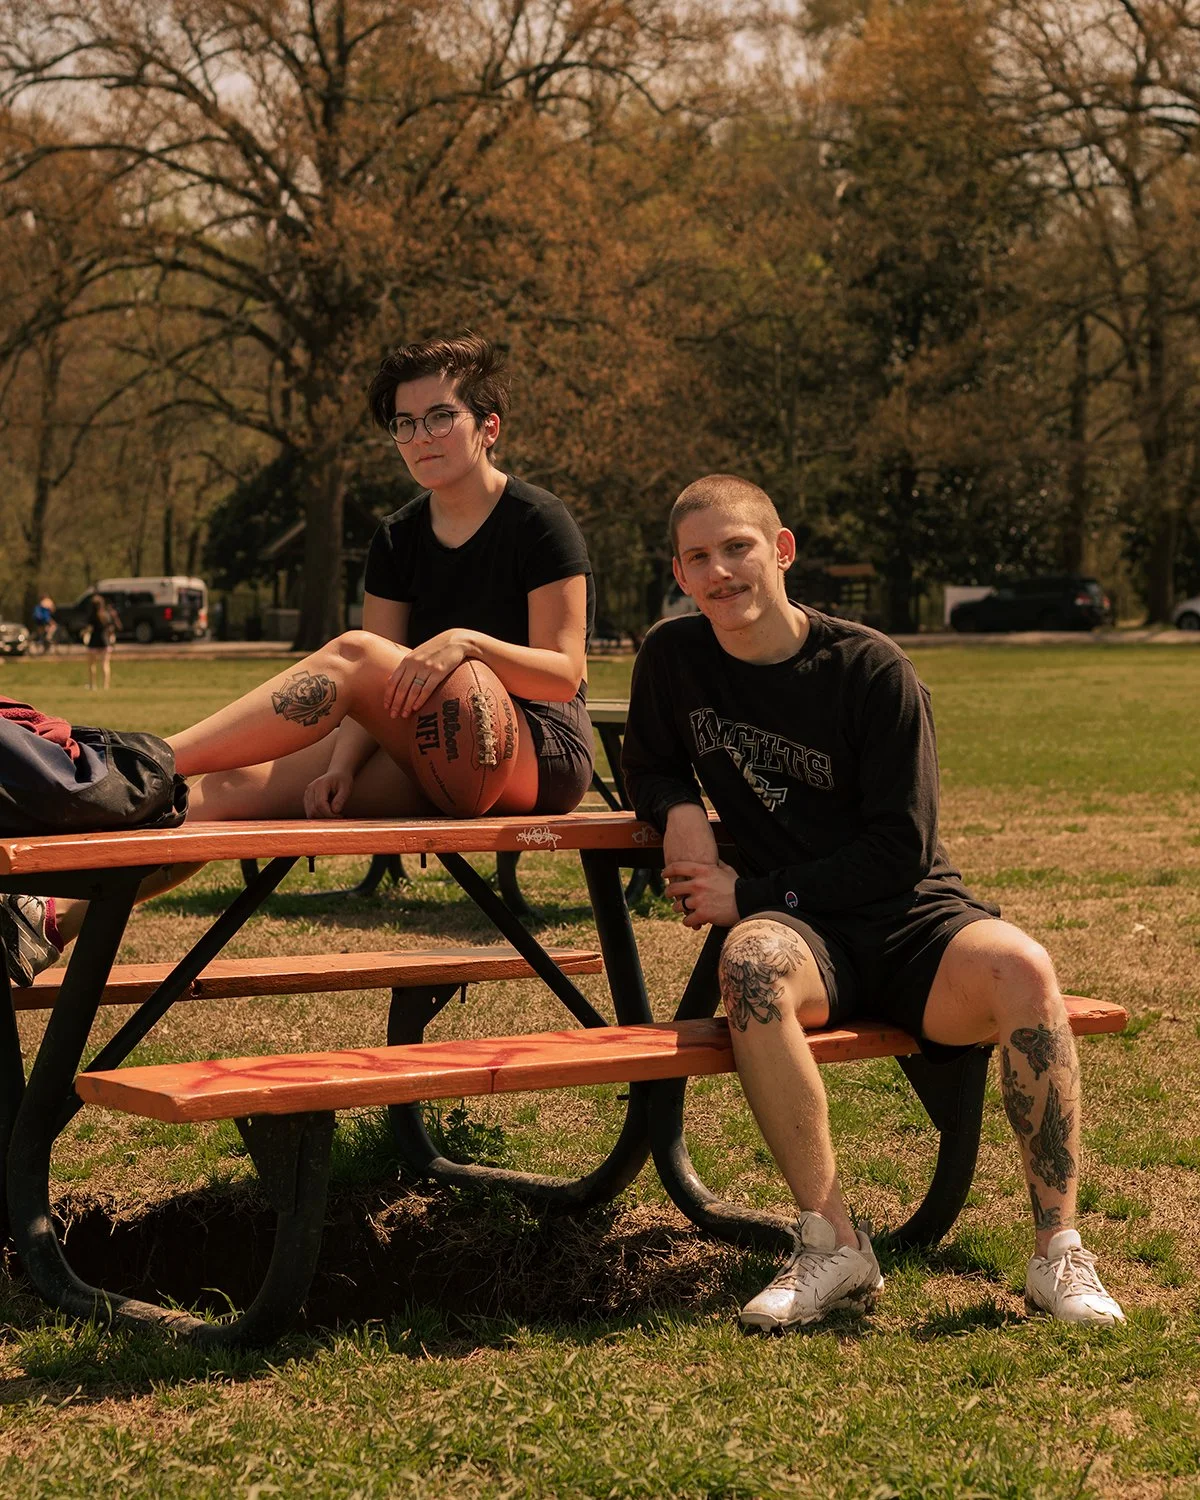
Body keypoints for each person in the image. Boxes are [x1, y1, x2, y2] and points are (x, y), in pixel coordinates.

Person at [621, 473, 1124, 1333]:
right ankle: (834, 1245)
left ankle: (1056, 1253)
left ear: (781, 551)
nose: (720, 572)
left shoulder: (871, 669)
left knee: (1024, 967)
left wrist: (746, 890)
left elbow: (900, 849)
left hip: (909, 918)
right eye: (698, 557)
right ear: (679, 570)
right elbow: (653, 759)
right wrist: (678, 815)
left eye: (737, 547)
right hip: (805, 934)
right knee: (748, 966)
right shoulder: (674, 657)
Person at [2, 333, 596, 986]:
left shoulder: (539, 520)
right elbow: (376, 698)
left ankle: (127, 764)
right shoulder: (398, 537)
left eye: (439, 417)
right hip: (427, 747)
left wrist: (468, 643)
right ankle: (46, 918)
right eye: (404, 423)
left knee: (355, 652)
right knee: (224, 793)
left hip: (537, 753)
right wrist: (341, 765)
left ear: (489, 427)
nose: (419, 436)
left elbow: (564, 670)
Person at [85, 593, 121, 690]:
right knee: (105, 664)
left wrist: (83, 633)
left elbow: (89, 629)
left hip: (93, 643)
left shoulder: (92, 616)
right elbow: (111, 629)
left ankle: (93, 685)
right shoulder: (106, 615)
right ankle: (106, 686)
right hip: (105, 642)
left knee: (92, 665)